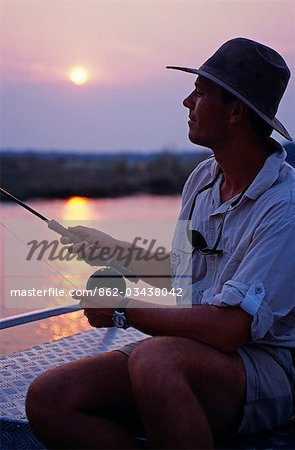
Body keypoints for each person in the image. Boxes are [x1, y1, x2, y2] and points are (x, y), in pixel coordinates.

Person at [25, 37, 295, 449]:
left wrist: (121, 308)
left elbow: (229, 329)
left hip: (264, 369)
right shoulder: (204, 179)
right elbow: (185, 271)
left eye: (201, 92)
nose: (187, 102)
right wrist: (114, 249)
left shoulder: (285, 207)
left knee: (155, 359)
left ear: (237, 111)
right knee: (50, 398)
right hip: (193, 351)